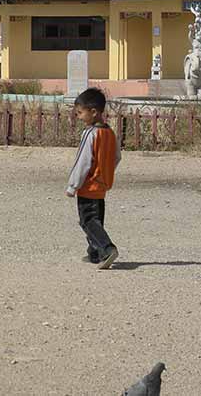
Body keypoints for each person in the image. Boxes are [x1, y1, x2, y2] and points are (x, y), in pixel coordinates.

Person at [66, 87, 121, 269]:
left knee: (87, 220)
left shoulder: (90, 134)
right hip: (102, 185)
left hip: (88, 186)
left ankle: (107, 248)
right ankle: (95, 253)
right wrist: (106, 173)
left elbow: (83, 162)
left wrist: (73, 185)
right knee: (97, 220)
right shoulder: (110, 133)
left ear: (94, 112)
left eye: (80, 113)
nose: (79, 117)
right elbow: (116, 158)